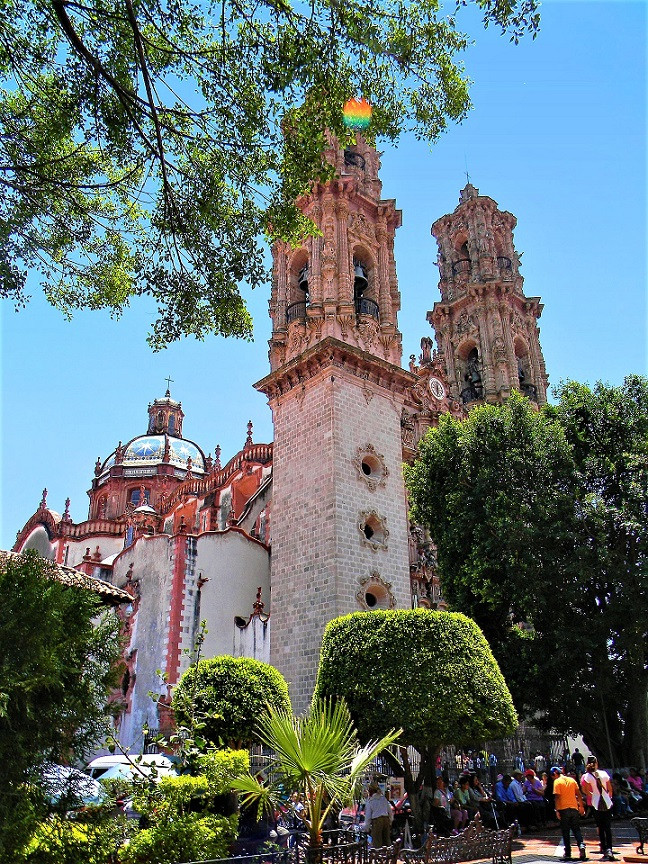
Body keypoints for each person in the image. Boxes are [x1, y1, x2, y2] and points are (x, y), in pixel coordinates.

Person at [580, 757, 615, 861]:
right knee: (607, 827)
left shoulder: (587, 776)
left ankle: (603, 847)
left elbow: (585, 790)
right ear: (596, 763)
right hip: (607, 802)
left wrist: (594, 794)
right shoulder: (604, 774)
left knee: (600, 826)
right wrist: (608, 797)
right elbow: (610, 789)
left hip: (596, 803)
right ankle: (609, 848)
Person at [552, 765, 588, 861]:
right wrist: (581, 806)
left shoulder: (557, 782)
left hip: (564, 809)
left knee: (565, 831)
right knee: (576, 829)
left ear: (555, 774)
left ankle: (568, 852)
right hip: (574, 808)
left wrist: (557, 810)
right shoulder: (572, 780)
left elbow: (557, 797)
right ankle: (581, 845)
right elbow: (579, 794)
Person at [362, 783, 393, 849]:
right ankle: (390, 855)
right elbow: (390, 811)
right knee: (387, 839)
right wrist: (390, 821)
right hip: (386, 819)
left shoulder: (370, 801)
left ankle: (378, 856)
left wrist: (366, 828)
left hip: (377, 821)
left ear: (370, 792)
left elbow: (368, 817)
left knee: (377, 841)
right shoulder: (383, 799)